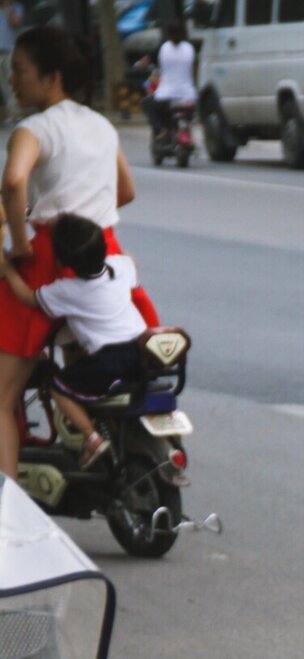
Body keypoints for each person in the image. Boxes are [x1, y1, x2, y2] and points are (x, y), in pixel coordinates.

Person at [0, 26, 158, 481]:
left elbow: (13, 182)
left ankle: (11, 510)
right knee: (86, 360)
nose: (12, 80)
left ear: (51, 77)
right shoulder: (102, 125)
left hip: (47, 260)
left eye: (19, 70)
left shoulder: (32, 128)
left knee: (4, 396)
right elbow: (125, 191)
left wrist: (22, 244)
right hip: (103, 251)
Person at [1, 213, 147, 468]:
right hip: (139, 350)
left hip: (108, 360)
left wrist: (8, 271)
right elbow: (132, 264)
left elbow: (28, 298)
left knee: (57, 385)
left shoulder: (67, 291)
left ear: (61, 261)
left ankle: (91, 437)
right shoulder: (120, 266)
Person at [141, 20, 196, 139]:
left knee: (146, 103)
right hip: (188, 96)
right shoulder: (190, 48)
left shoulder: (163, 49)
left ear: (168, 34)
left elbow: (145, 62)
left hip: (166, 96)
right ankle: (185, 131)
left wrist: (138, 65)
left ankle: (161, 129)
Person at [0, 0, 23, 123]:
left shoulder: (16, 8)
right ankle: (11, 112)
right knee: (3, 84)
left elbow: (15, 23)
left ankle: (16, 112)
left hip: (9, 49)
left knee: (11, 81)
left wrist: (7, 8)